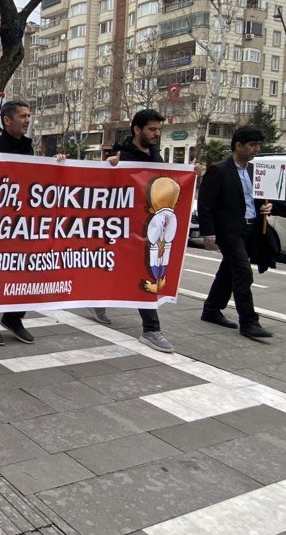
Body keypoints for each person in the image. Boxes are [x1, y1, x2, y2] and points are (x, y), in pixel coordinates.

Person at [92, 108, 203, 352]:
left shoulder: (155, 156)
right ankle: (98, 298)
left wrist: (190, 175)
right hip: (120, 227)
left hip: (145, 230)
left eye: (158, 130)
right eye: (152, 129)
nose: (156, 134)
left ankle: (151, 329)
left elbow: (165, 185)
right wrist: (108, 167)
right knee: (111, 266)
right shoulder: (121, 156)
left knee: (146, 273)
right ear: (137, 130)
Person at [198, 125, 276, 340]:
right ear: (238, 145)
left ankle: (211, 309)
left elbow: (265, 198)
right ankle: (249, 322)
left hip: (252, 228)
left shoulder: (255, 171)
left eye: (258, 145)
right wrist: (209, 232)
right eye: (252, 145)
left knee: (229, 270)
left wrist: (270, 208)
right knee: (242, 272)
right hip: (229, 231)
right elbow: (205, 204)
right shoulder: (220, 170)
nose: (256, 149)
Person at [0, 100, 40, 346]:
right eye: (23, 116)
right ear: (7, 120)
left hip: (21, 222)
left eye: (28, 116)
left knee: (23, 271)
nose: (27, 120)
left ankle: (14, 318)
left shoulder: (28, 147)